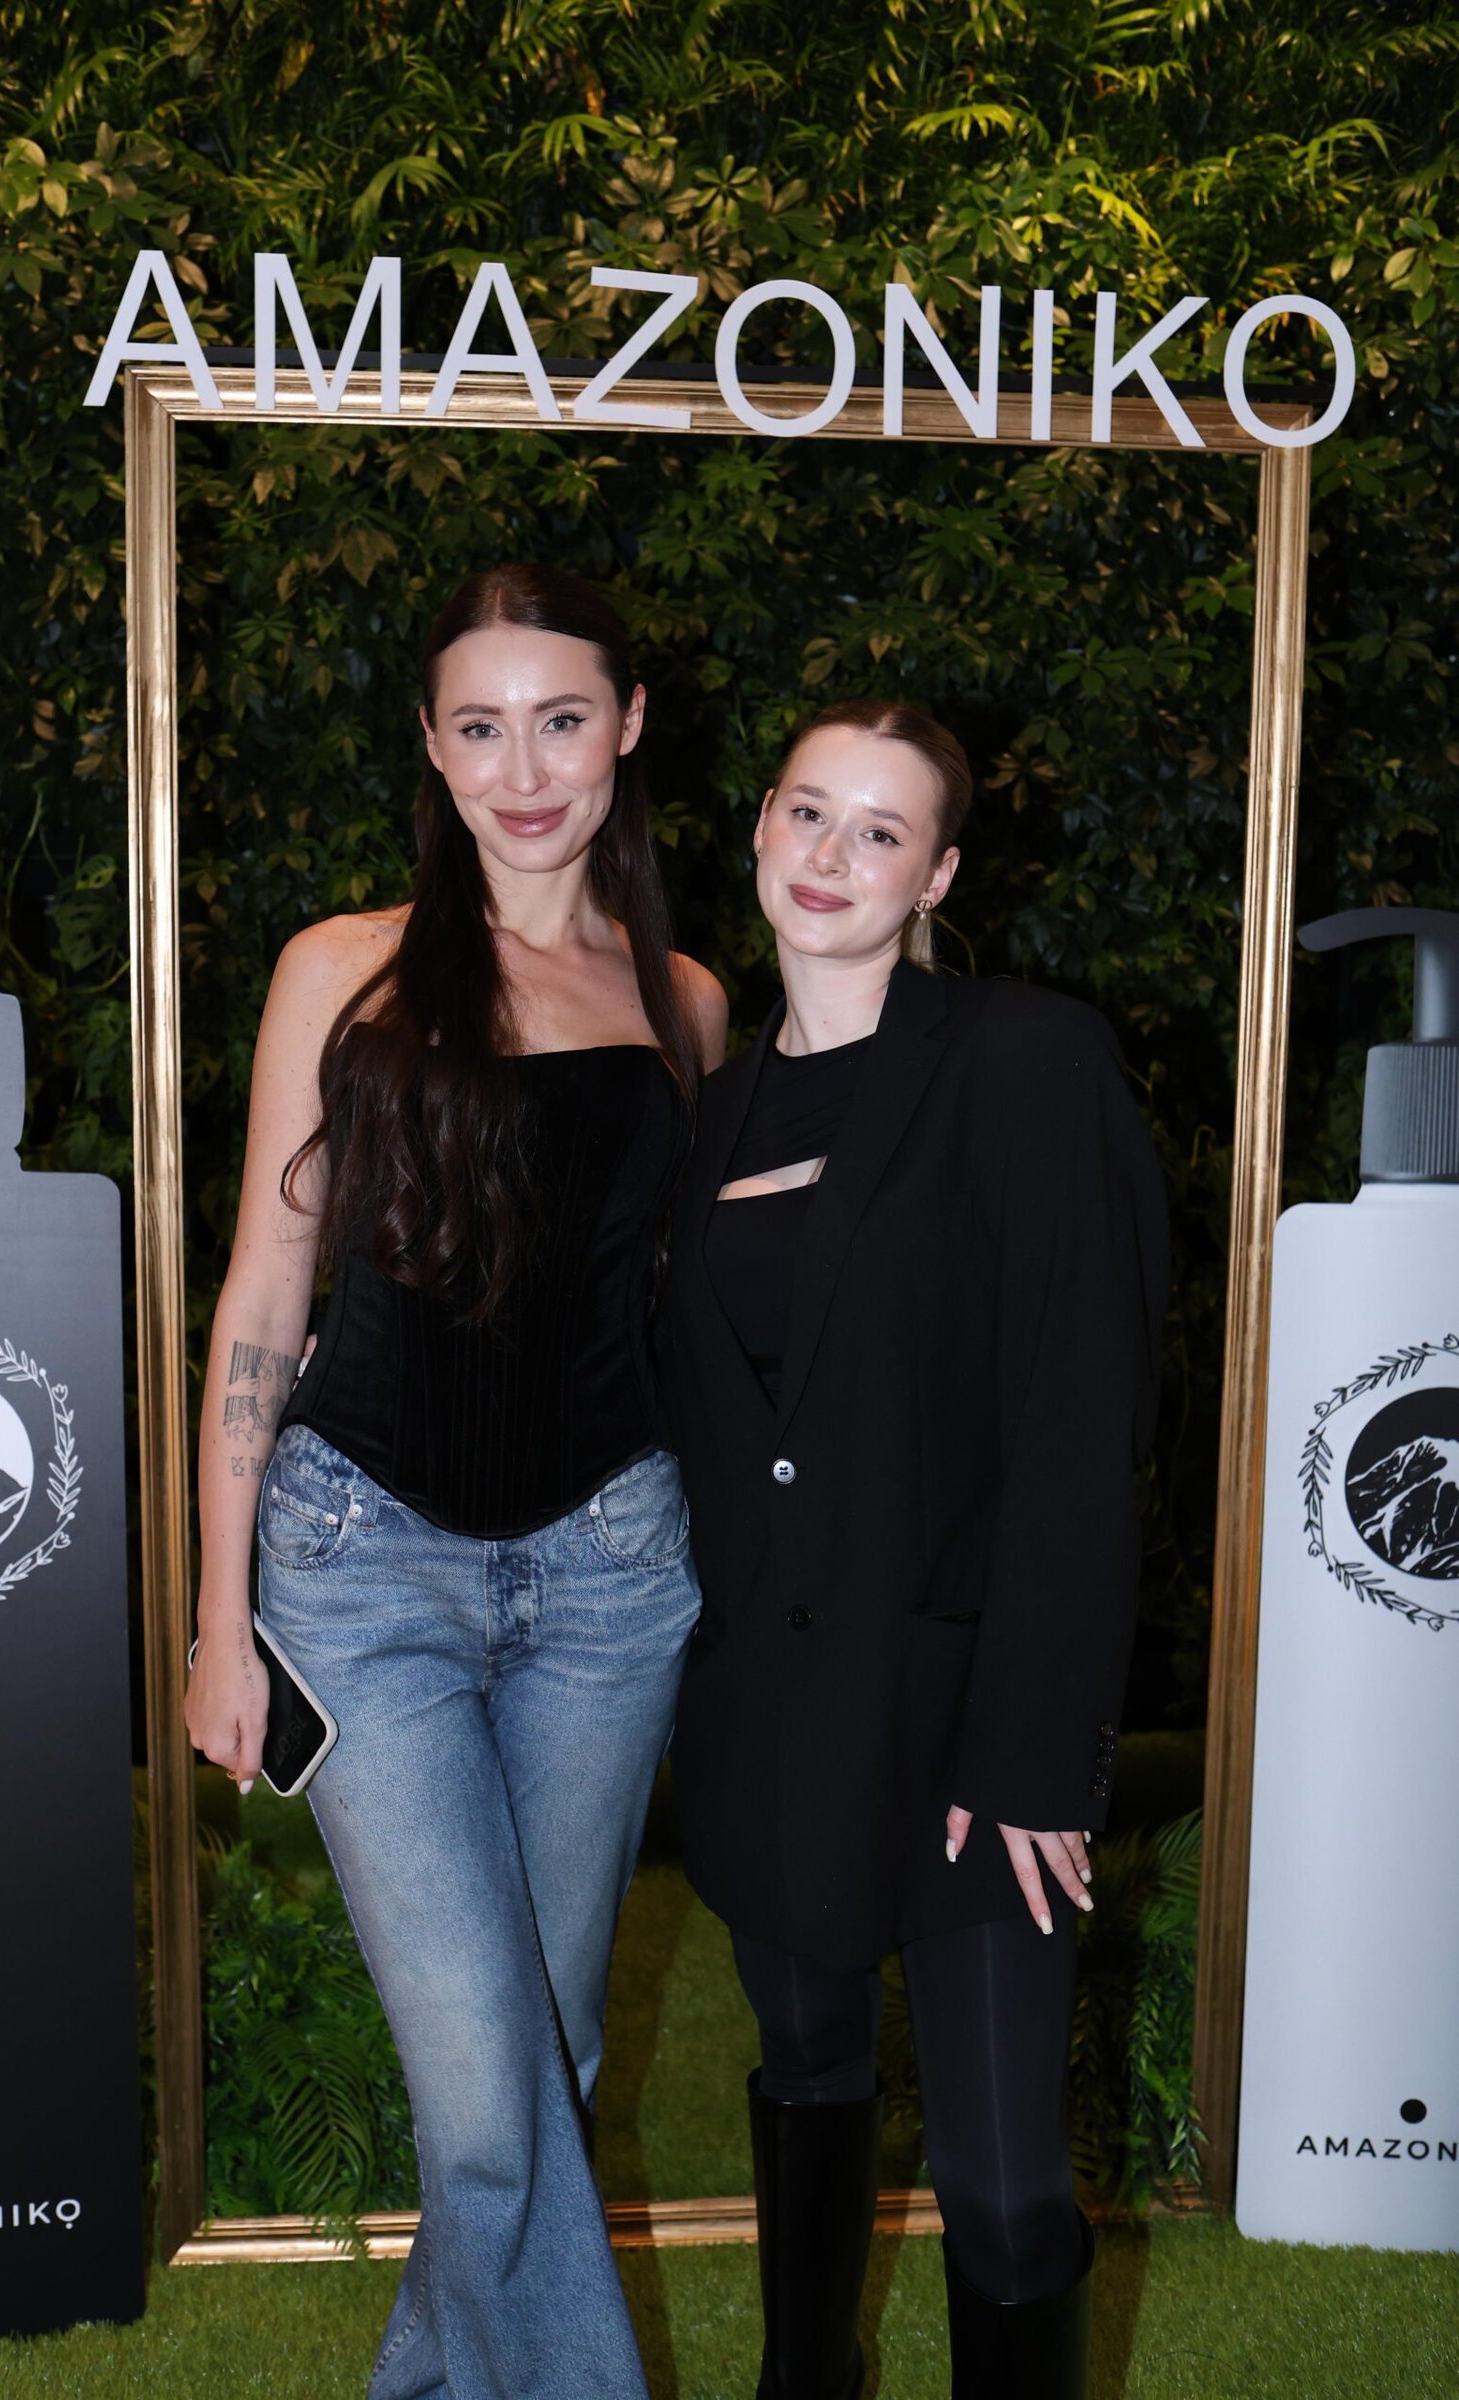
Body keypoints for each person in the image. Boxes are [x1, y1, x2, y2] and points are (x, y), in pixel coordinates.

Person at [184, 563, 727, 2400]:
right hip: (361, 1567)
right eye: (480, 728)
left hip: (612, 1580)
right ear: (430, 745)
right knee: (490, 2084)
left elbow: (694, 1304)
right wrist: (221, 1622)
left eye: (561, 721)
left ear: (626, 725)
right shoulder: (339, 971)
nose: (524, 770)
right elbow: (265, 1296)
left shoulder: (683, 999)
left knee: (544, 2060)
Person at [656, 699, 1168, 2400]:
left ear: (935, 875)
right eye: (810, 812)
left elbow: (1083, 1426)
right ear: (759, 826)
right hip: (767, 1714)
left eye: (881, 832)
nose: (832, 857)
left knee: (1004, 2188)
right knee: (804, 2073)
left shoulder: (1026, 1062)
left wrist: (1035, 1755)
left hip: (967, 1727)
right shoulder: (710, 1112)